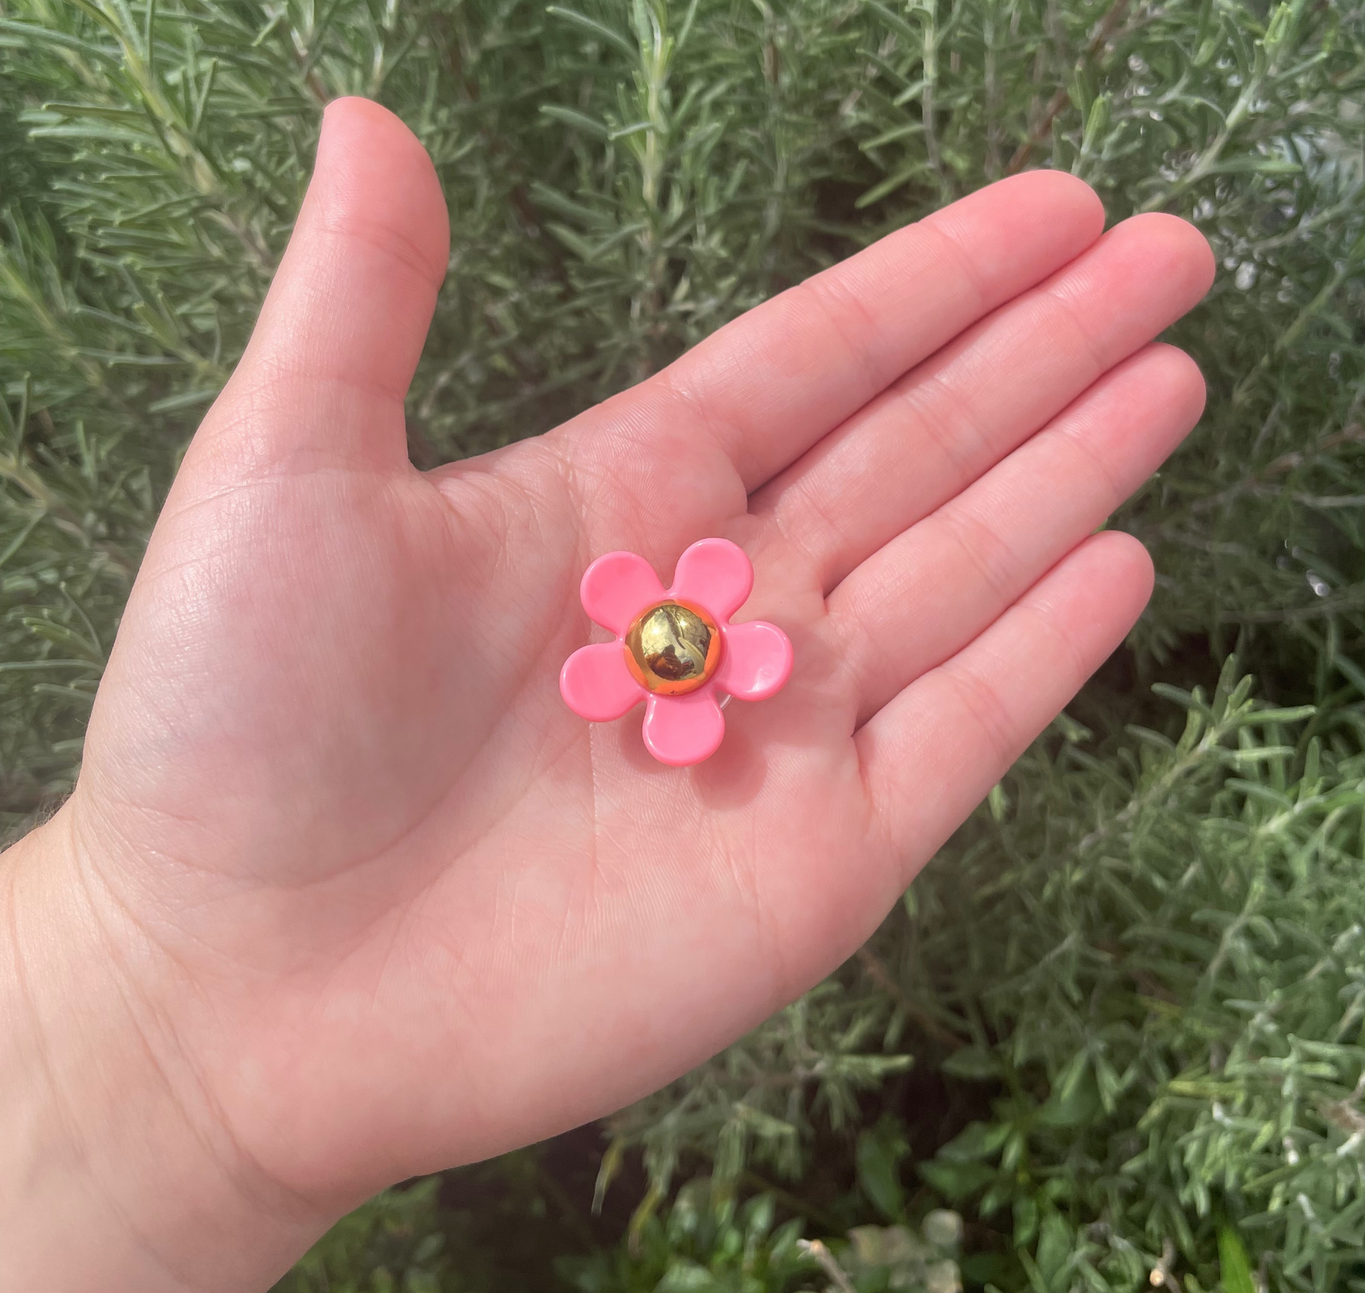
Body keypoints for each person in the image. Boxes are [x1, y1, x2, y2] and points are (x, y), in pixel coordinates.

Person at [0, 97, 1214, 1291]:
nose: (676, 641)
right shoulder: (640, 646)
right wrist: (138, 981)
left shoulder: (684, 635)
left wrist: (135, 1007)